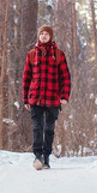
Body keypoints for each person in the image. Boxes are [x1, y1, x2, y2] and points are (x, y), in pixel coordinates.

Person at [22, 25, 71, 170]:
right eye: (41, 33)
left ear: (51, 36)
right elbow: (26, 78)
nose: (43, 36)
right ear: (39, 36)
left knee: (49, 129)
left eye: (46, 34)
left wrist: (64, 96)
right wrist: (25, 98)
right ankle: (38, 156)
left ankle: (46, 157)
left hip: (52, 98)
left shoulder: (58, 54)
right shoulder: (31, 54)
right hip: (35, 98)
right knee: (37, 127)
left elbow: (66, 78)